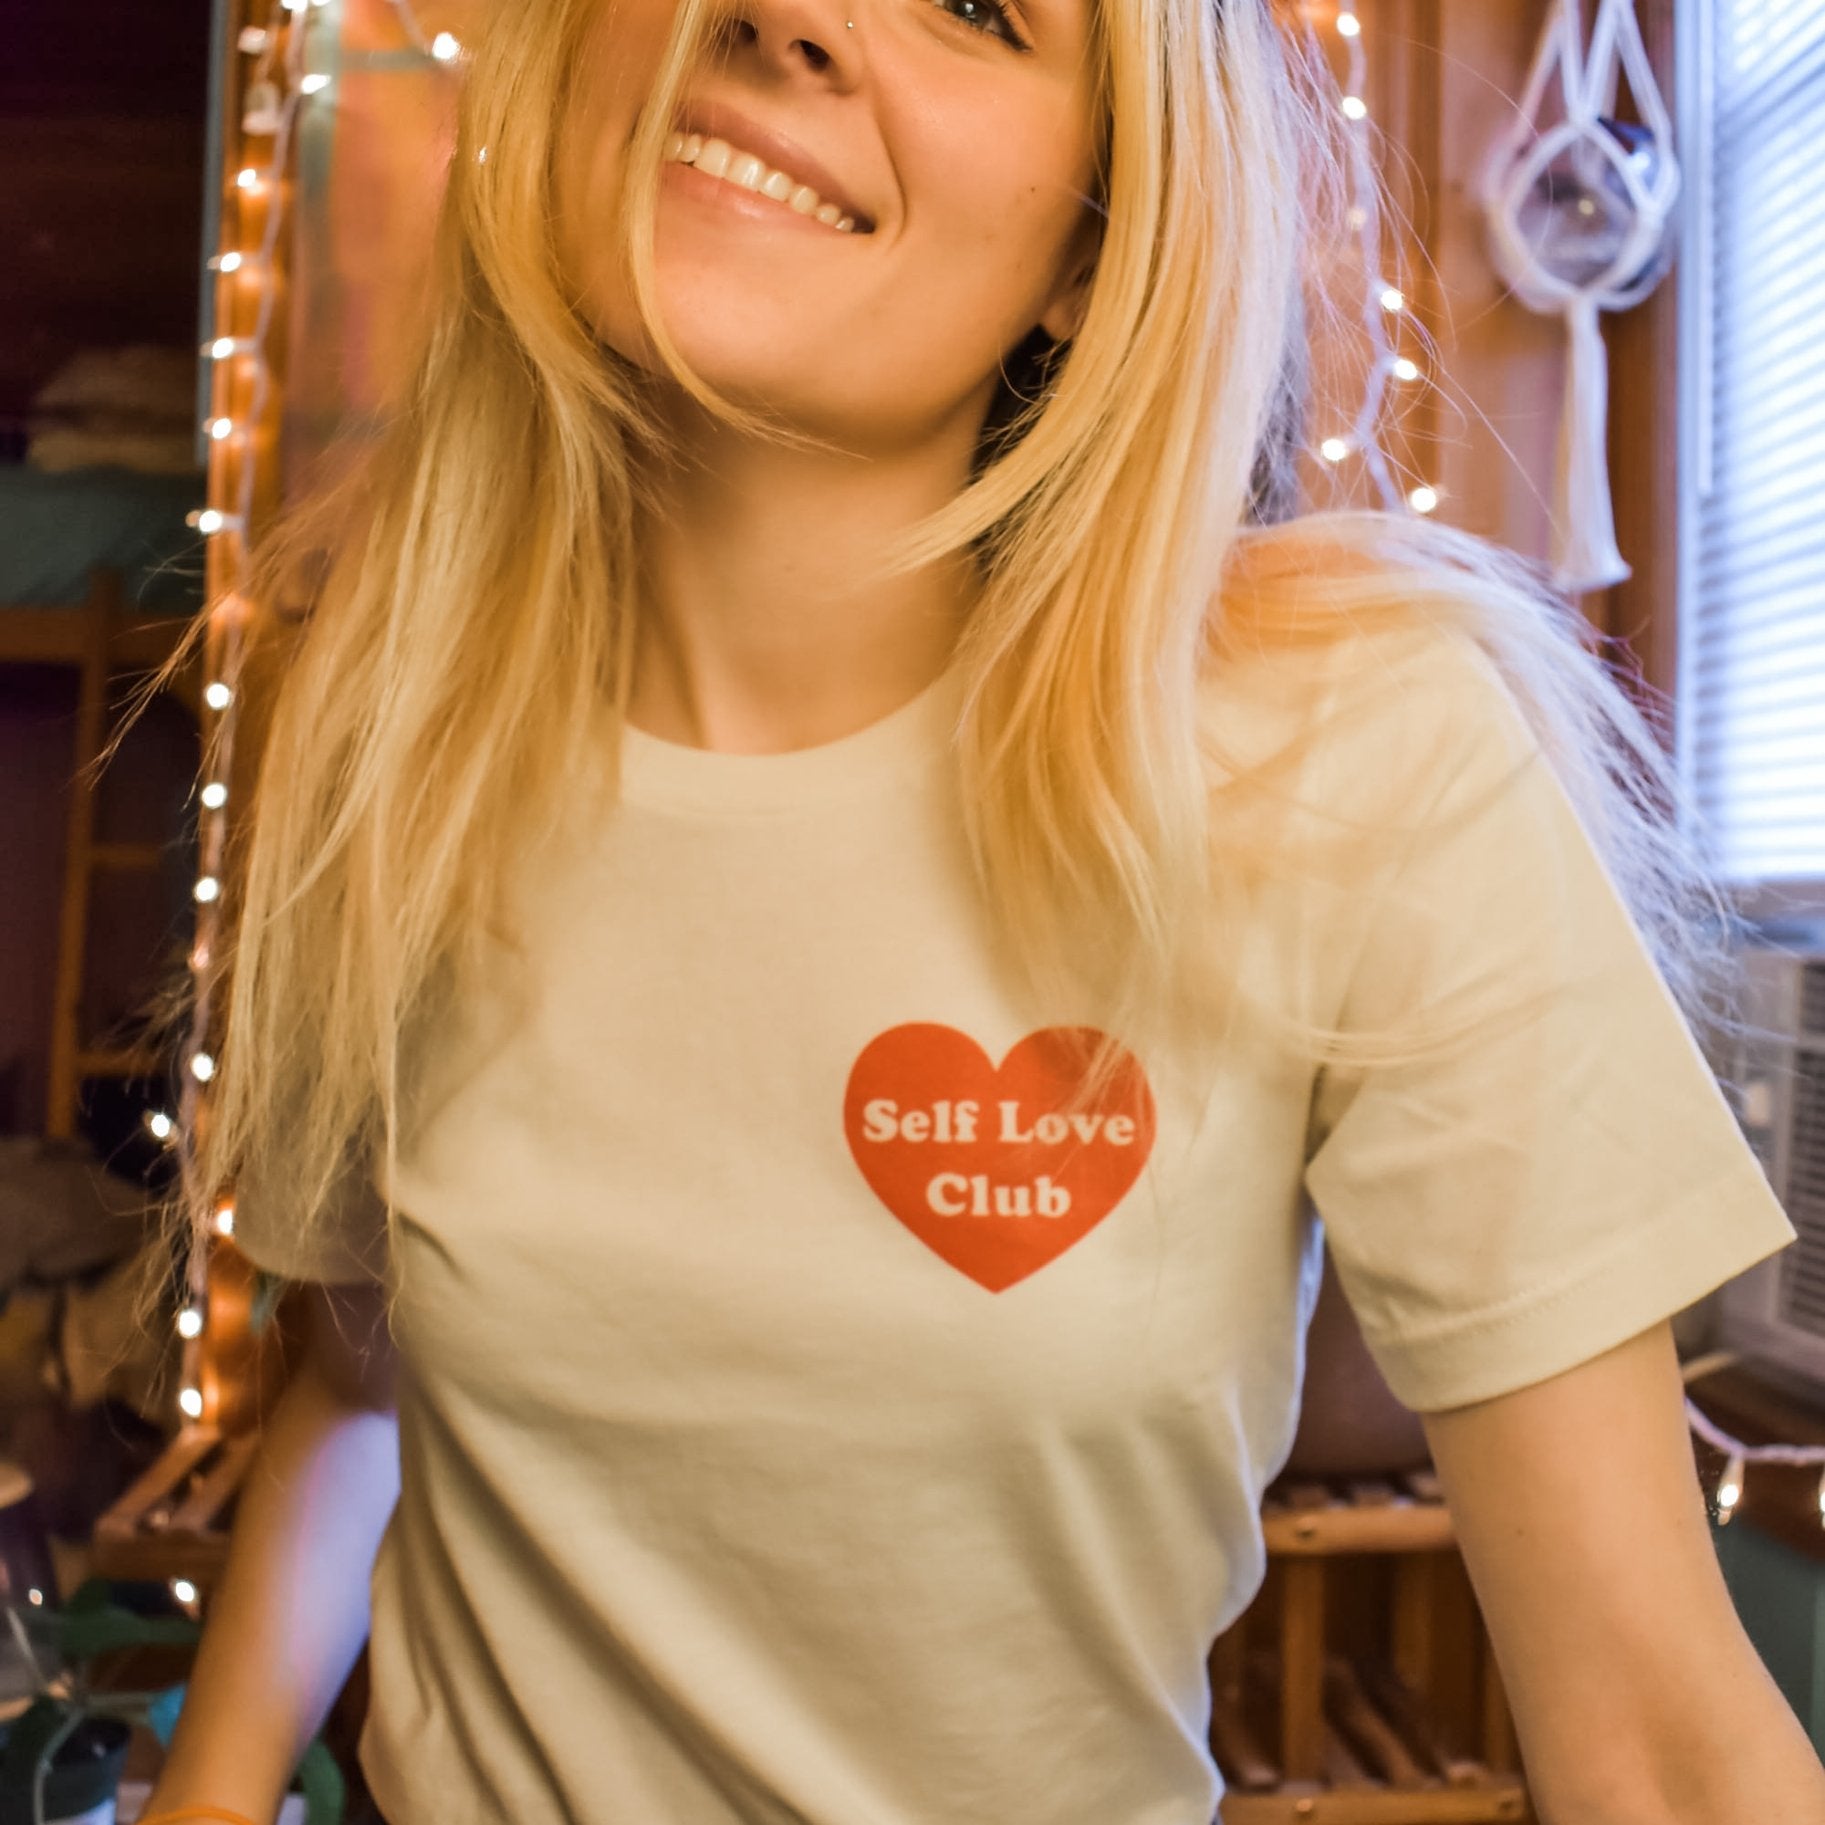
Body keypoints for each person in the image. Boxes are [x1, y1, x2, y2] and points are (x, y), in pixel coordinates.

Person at [130, 0, 1808, 1819]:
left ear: (1095, 242)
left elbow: (1660, 1738)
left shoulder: (1357, 749)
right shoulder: (381, 732)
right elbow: (356, 1379)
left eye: (976, 6)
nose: (787, 20)